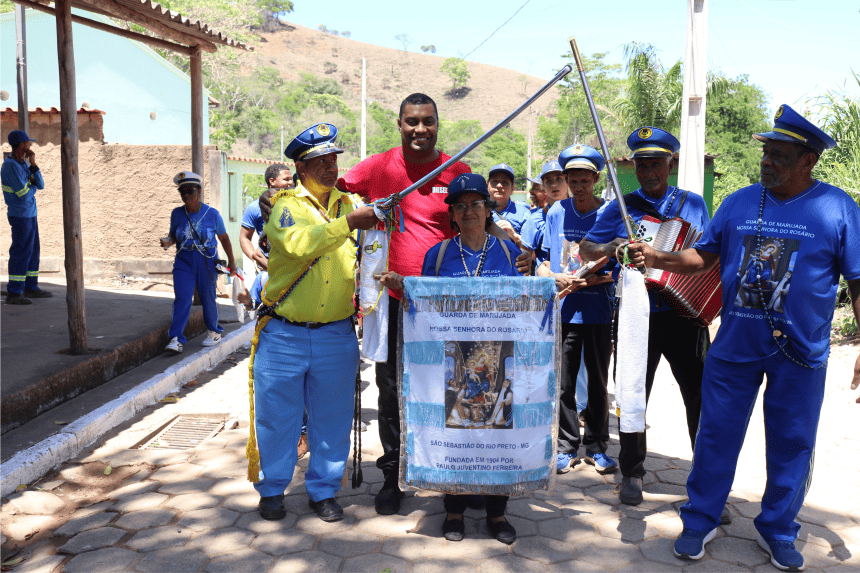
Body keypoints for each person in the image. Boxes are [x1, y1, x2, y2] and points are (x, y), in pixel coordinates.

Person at [259, 93, 531, 515]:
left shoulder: (455, 170)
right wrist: (276, 198)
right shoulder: (377, 168)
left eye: (428, 121)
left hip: (447, 308)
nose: (420, 129)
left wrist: (518, 250)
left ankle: (459, 477)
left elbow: (481, 217)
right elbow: (331, 191)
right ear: (400, 125)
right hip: (393, 303)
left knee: (459, 389)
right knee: (391, 392)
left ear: (437, 124)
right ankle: (393, 476)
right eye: (412, 122)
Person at [627, 105, 860, 571]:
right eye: (765, 153)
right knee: (715, 435)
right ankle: (700, 519)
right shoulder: (738, 202)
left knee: (793, 443)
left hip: (800, 353)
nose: (766, 162)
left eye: (778, 155)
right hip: (734, 348)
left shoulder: (839, 208)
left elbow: (857, 281)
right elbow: (703, 257)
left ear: (808, 160)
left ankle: (778, 529)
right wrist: (656, 257)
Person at [387, 173, 541, 544]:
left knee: (498, 437)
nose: (468, 211)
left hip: (500, 360)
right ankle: (453, 511)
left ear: (488, 210)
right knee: (455, 435)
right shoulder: (438, 255)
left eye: (475, 204)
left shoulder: (510, 253)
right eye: (460, 206)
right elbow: (424, 307)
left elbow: (528, 304)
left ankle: (497, 514)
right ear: (452, 215)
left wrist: (550, 283)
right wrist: (404, 288)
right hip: (453, 363)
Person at [250, 123, 379, 523]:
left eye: (333, 159)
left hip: (336, 333)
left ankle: (323, 490)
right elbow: (298, 244)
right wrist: (349, 223)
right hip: (283, 334)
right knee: (277, 418)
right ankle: (273, 489)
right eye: (320, 161)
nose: (330, 167)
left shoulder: (350, 203)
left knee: (332, 418)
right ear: (301, 167)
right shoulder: (286, 206)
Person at [580, 126, 711, 506]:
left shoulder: (692, 204)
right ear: (634, 167)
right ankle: (633, 472)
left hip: (685, 313)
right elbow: (586, 248)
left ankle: (707, 481)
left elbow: (707, 253)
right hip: (638, 314)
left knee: (701, 397)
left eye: (656, 164)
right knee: (632, 392)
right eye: (642, 165)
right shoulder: (621, 206)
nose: (649, 172)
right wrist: (611, 246)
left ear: (670, 165)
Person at [537, 144, 616, 475]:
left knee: (598, 381)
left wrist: (598, 278)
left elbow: (620, 265)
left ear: (596, 179)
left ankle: (597, 446)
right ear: (565, 181)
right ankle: (566, 446)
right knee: (564, 382)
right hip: (565, 308)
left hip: (598, 308)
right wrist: (554, 276)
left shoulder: (609, 212)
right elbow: (543, 259)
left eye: (585, 180)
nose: (579, 187)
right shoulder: (556, 211)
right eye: (573, 180)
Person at [161, 172, 236, 354]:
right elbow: (173, 235)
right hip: (184, 260)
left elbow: (224, 238)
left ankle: (214, 332)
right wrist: (168, 241)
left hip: (206, 260)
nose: (186, 195)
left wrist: (232, 262)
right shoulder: (177, 213)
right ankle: (176, 338)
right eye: (182, 192)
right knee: (183, 297)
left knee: (208, 297)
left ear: (199, 191)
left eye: (190, 191)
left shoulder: (212, 214)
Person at [2, 130, 51, 304]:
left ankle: (31, 287)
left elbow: (41, 184)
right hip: (20, 215)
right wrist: (32, 186)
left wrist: (33, 164)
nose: (30, 146)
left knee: (32, 252)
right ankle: (14, 292)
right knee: (21, 252)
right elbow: (23, 195)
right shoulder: (10, 166)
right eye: (28, 143)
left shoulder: (23, 163)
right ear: (22, 145)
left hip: (30, 214)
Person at [240, 163, 292, 272]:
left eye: (291, 179)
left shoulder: (295, 204)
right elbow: (244, 238)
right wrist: (257, 261)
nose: (290, 183)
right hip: (269, 269)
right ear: (272, 181)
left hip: (293, 266)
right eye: (286, 179)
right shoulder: (254, 208)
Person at [521, 161, 568, 266]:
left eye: (559, 179)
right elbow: (524, 258)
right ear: (544, 186)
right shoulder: (535, 220)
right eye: (548, 181)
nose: (554, 185)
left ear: (568, 181)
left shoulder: (580, 213)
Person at [488, 163, 530, 246]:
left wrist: (514, 235)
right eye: (495, 181)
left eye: (505, 182)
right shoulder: (478, 211)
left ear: (512, 188)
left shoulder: (524, 214)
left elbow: (531, 251)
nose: (499, 185)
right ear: (487, 184)